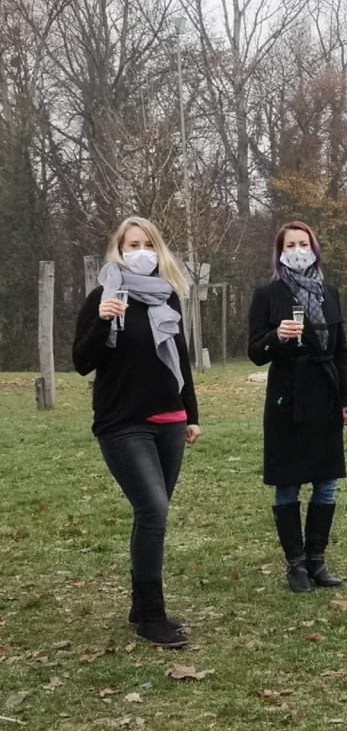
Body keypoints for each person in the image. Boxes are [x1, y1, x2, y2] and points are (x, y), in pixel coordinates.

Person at [72, 216, 200, 648]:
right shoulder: (102, 297)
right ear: (119, 250)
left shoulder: (167, 296)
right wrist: (102, 321)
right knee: (154, 511)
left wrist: (191, 414)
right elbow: (82, 362)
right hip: (122, 423)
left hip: (170, 421)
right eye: (132, 245)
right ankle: (152, 617)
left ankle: (138, 605)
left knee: (150, 516)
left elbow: (180, 359)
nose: (141, 252)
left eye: (148, 244)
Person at [248, 221, 347, 594]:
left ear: (314, 249)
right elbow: (254, 351)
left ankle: (317, 560)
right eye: (290, 245)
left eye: (303, 244)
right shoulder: (267, 294)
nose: (297, 250)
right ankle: (295, 563)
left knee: (326, 484)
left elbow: (341, 351)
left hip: (326, 397)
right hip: (287, 400)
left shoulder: (330, 293)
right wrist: (276, 337)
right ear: (279, 253)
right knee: (288, 484)